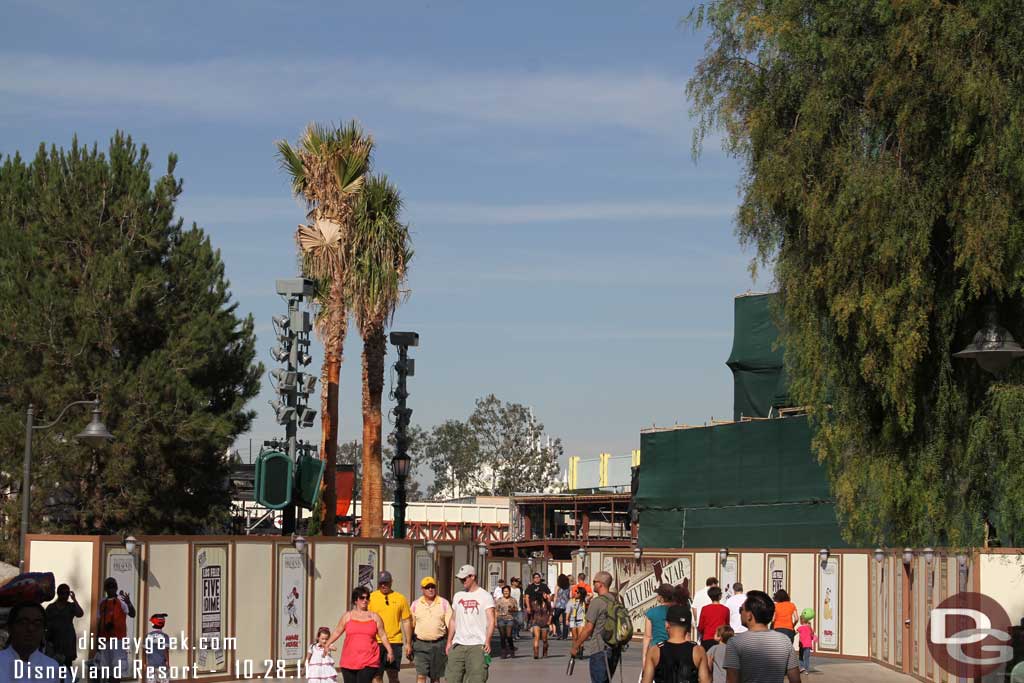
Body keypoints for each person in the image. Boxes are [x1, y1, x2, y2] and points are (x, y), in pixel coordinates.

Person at [723, 590, 800, 683]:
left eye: (741, 610)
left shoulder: (735, 643)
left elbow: (731, 680)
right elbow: (795, 679)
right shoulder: (784, 640)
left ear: (749, 616)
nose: (740, 613)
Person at [327, 586, 394, 683]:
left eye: (367, 598)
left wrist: (390, 651)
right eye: (362, 598)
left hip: (369, 660)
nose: (365, 600)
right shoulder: (347, 616)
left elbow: (383, 635)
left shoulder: (375, 617)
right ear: (355, 600)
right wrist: (327, 644)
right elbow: (337, 631)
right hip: (349, 660)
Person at [445, 565, 495, 683]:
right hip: (458, 644)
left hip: (477, 645)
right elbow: (453, 620)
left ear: (473, 577)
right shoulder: (458, 596)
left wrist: (487, 640)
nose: (462, 582)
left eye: (464, 579)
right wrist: (449, 641)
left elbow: (492, 621)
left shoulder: (485, 596)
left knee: (476, 679)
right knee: (451, 678)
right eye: (460, 579)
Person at [570, 571, 620, 683]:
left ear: (600, 584)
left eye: (594, 582)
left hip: (599, 649)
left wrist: (576, 645)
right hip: (614, 649)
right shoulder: (615, 600)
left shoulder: (597, 602)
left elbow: (588, 628)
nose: (593, 585)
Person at [640, 605, 711, 683]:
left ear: (667, 624)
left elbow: (646, 681)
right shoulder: (698, 651)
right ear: (688, 628)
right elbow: (705, 680)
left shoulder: (655, 650)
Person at [368, 571, 413, 683]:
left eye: (386, 582)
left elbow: (406, 621)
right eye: (381, 583)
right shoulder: (371, 598)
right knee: (376, 676)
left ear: (391, 582)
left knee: (393, 676)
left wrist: (408, 643)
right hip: (376, 641)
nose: (384, 585)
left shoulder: (400, 598)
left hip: (395, 642)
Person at [1, 603, 60, 683]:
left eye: (37, 624)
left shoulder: (52, 667)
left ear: (43, 631)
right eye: (23, 622)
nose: (30, 628)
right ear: (10, 628)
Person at [93, 576, 136, 683]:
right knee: (107, 670)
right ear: (105, 588)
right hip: (105, 641)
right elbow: (99, 623)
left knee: (116, 671)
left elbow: (132, 614)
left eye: (113, 586)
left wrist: (129, 603)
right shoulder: (102, 603)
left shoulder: (121, 602)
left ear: (116, 587)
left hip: (118, 641)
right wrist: (98, 642)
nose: (110, 588)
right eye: (108, 586)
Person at [410, 577, 452, 683]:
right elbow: (410, 626)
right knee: (421, 675)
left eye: (432, 587)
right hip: (420, 644)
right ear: (422, 589)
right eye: (427, 587)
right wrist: (408, 644)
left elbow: (451, 624)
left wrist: (450, 642)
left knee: (435, 677)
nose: (430, 589)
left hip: (439, 645)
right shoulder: (415, 604)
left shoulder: (444, 603)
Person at [44, 583, 84, 669]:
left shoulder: (71, 606)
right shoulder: (51, 607)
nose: (65, 595)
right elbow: (44, 621)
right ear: (58, 593)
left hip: (67, 641)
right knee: (52, 665)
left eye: (67, 593)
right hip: (53, 640)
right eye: (63, 593)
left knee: (67, 666)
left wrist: (74, 600)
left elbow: (80, 614)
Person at [642, 584, 676, 664]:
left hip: (656, 649)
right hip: (674, 650)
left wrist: (644, 657)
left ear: (661, 597)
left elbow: (647, 636)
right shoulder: (678, 612)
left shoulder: (651, 612)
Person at [696, 586, 729, 651]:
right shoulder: (726, 609)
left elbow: (701, 626)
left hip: (707, 639)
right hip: (721, 639)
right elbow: (727, 625)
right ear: (720, 596)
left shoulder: (705, 609)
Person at [143, 613, 171, 683]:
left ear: (153, 623)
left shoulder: (147, 636)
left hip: (150, 666)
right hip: (162, 665)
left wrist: (144, 663)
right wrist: (168, 663)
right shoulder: (165, 636)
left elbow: (144, 651)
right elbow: (166, 651)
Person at [494, 585, 518, 659]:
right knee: (502, 636)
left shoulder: (513, 600)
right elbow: (496, 611)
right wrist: (495, 621)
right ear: (502, 592)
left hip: (510, 619)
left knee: (509, 635)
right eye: (504, 591)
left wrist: (513, 610)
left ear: (510, 592)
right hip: (501, 619)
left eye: (507, 591)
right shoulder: (499, 600)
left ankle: (511, 649)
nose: (506, 592)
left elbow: (516, 610)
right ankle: (503, 651)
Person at [552, 574, 571, 639]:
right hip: (566, 605)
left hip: (558, 605)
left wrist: (554, 605)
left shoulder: (557, 586)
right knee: (565, 620)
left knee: (555, 619)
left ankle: (559, 633)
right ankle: (565, 636)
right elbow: (570, 596)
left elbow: (555, 596)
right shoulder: (568, 587)